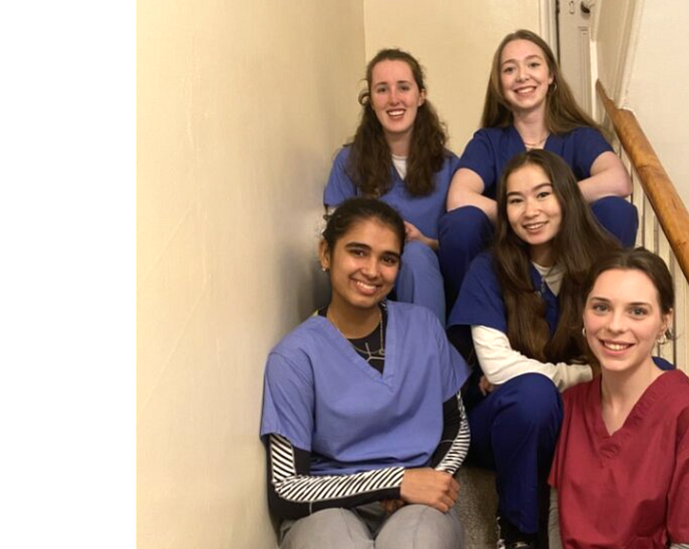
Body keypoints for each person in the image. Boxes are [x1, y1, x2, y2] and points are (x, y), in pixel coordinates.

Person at [260, 198, 470, 549]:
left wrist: (430, 481)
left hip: (418, 502)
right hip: (324, 508)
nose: (372, 271)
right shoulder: (294, 357)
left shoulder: (423, 327)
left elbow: (457, 425)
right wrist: (396, 481)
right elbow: (285, 487)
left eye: (388, 259)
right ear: (326, 253)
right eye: (358, 252)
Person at [448, 150, 621, 548]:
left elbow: (622, 355)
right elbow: (495, 363)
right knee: (532, 395)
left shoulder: (603, 265)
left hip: (579, 413)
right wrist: (582, 375)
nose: (530, 211)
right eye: (515, 200)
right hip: (504, 423)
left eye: (542, 195)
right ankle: (519, 532)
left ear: (565, 197)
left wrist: (580, 376)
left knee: (660, 377)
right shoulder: (488, 267)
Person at [549, 248, 689, 549]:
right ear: (583, 314)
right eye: (601, 307)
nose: (615, 325)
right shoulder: (570, 405)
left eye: (637, 311)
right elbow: (556, 519)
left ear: (664, 321)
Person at [438, 29, 636, 309]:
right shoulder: (490, 140)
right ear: (500, 84)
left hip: (570, 254)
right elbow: (458, 197)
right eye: (510, 69)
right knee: (461, 224)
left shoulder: (579, 135)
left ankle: (600, 311)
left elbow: (618, 180)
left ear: (551, 76)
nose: (522, 76)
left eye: (533, 64)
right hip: (511, 253)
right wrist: (520, 212)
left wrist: (554, 202)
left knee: (617, 210)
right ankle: (470, 326)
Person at [325, 48, 456, 325]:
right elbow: (335, 237)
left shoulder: (450, 167)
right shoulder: (349, 162)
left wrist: (426, 242)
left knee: (417, 256)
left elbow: (464, 247)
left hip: (432, 283)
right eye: (382, 89)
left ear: (420, 96)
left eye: (403, 88)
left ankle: (428, 358)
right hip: (369, 284)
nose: (394, 99)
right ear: (370, 100)